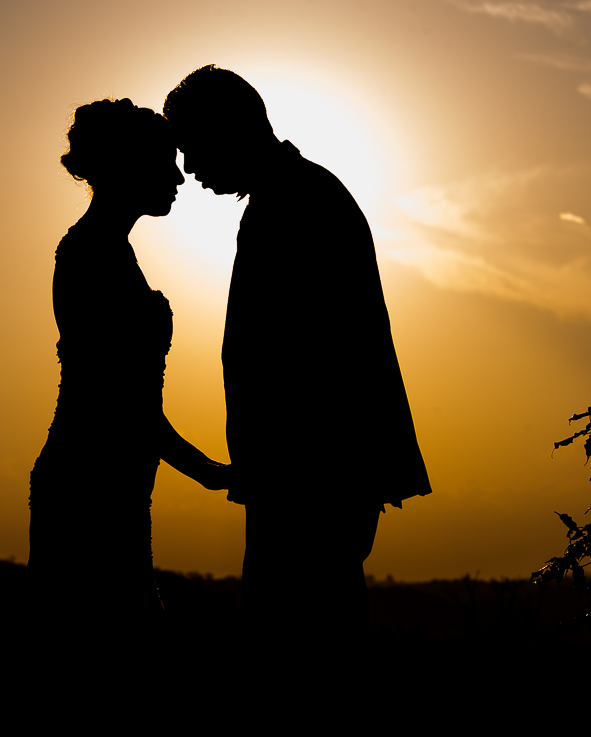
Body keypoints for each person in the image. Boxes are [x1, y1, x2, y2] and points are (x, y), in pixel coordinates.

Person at [162, 66, 431, 648]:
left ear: (227, 133)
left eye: (193, 148)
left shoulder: (296, 202)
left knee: (300, 639)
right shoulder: (295, 194)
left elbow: (320, 356)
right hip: (304, 474)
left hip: (310, 475)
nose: (188, 167)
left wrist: (287, 471)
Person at [28, 98, 229, 653]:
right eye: (166, 164)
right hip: (88, 484)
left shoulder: (108, 251)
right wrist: (207, 471)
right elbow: (116, 401)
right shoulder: (90, 255)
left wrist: (207, 470)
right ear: (129, 168)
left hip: (111, 479)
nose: (179, 178)